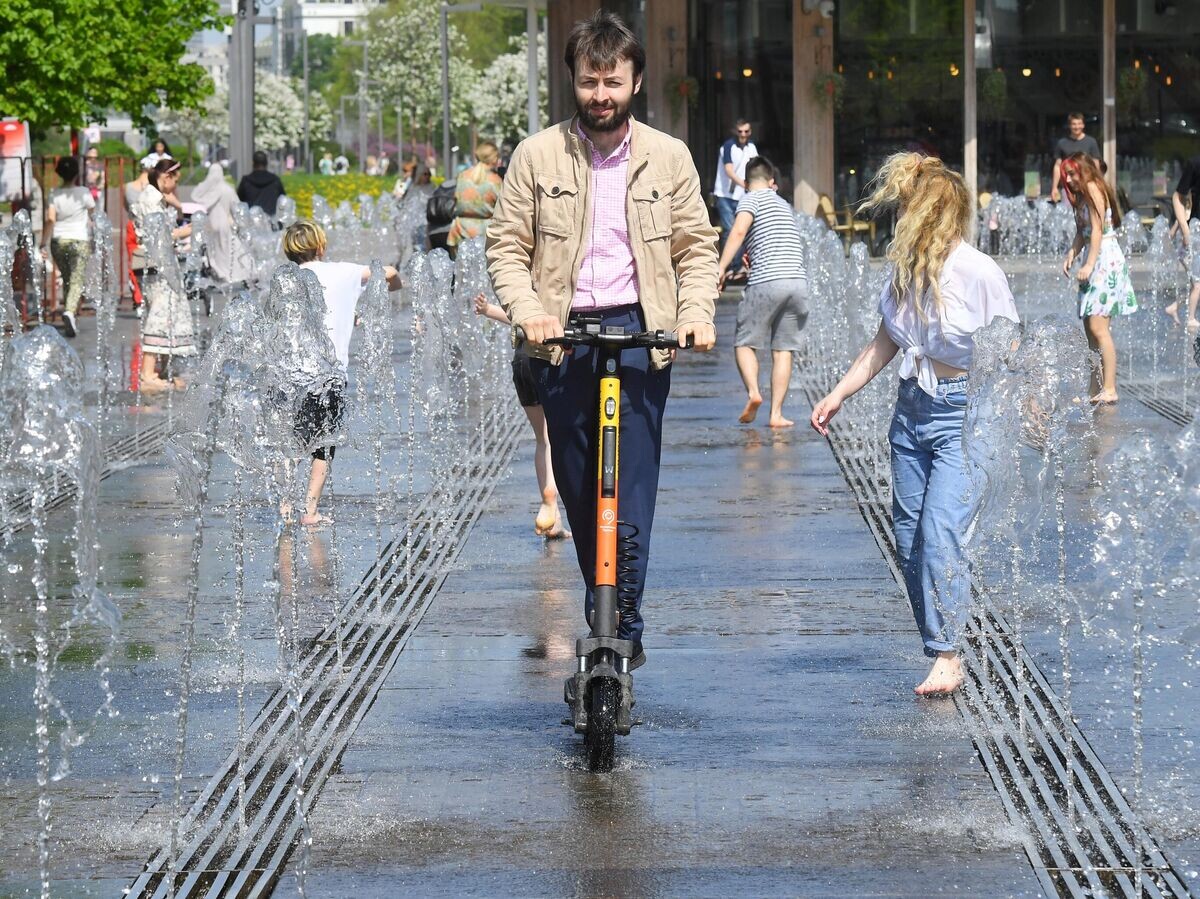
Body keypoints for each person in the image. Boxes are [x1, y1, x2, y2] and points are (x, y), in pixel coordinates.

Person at [486, 9, 718, 669]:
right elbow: (506, 246)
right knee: (583, 491)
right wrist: (528, 308)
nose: (601, 95)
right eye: (590, 82)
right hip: (562, 337)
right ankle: (603, 598)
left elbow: (696, 249)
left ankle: (626, 623)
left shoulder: (668, 158)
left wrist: (696, 311)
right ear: (573, 82)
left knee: (632, 496)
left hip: (641, 334)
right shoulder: (537, 156)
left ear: (636, 81)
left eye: (613, 81)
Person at [810, 153, 1019, 696]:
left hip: (964, 415)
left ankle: (947, 654)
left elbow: (1010, 350)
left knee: (939, 530)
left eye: (907, 208)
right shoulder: (906, 270)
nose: (900, 218)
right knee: (908, 540)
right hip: (911, 414)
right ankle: (941, 638)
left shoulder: (978, 272)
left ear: (935, 213)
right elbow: (884, 343)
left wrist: (1027, 412)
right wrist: (836, 395)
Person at [282, 220, 402, 525]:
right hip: (328, 376)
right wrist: (396, 285)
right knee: (323, 443)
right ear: (321, 246)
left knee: (292, 442)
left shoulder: (285, 280)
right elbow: (389, 272)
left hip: (290, 374)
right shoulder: (343, 271)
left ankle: (284, 506)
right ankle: (309, 511)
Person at [716, 155, 808, 428]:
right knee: (783, 350)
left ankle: (754, 393)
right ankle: (776, 414)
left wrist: (720, 268)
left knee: (745, 343)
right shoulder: (783, 204)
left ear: (746, 183)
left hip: (767, 282)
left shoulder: (749, 199)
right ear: (772, 183)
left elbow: (739, 231)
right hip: (798, 283)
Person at [473, 294, 570, 538]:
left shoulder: (526, 299)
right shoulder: (558, 295)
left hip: (522, 362)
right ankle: (552, 494)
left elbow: (513, 318)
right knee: (557, 439)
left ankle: (552, 513)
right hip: (548, 360)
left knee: (541, 439)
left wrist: (486, 309)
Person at [1061, 153, 1138, 403]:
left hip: (1104, 259)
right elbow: (1081, 233)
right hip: (1095, 259)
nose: (1069, 179)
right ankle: (1093, 389)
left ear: (1083, 170)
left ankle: (1110, 388)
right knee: (1089, 329)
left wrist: (1090, 263)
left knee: (1099, 328)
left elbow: (1096, 230)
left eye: (1073, 173)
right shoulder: (1082, 195)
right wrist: (1072, 254)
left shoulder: (1094, 188)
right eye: (1067, 175)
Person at [129, 158, 195, 390]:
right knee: (159, 313)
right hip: (154, 264)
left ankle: (166, 370)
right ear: (166, 178)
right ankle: (147, 374)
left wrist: (177, 207)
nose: (175, 186)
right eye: (175, 181)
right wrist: (182, 232)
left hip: (157, 263)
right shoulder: (151, 200)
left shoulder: (156, 198)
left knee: (168, 312)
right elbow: (155, 237)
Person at [40, 156, 95, 338]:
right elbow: (93, 213)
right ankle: (70, 311)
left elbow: (50, 219)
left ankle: (69, 313)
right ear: (76, 173)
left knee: (67, 278)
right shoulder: (84, 192)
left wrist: (43, 242)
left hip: (59, 241)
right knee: (77, 279)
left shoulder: (54, 193)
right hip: (79, 240)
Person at [712, 119, 758, 283]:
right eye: (740, 132)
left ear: (750, 132)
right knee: (730, 229)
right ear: (735, 132)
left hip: (742, 196)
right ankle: (729, 267)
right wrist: (747, 184)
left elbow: (756, 168)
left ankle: (738, 266)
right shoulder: (728, 146)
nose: (743, 135)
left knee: (742, 229)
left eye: (746, 131)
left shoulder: (752, 147)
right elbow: (729, 171)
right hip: (725, 195)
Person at [191, 163, 252, 286]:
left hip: (212, 222)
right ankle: (231, 273)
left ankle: (219, 272)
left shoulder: (209, 191)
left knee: (215, 249)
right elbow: (236, 205)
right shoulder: (227, 189)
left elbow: (195, 195)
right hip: (225, 223)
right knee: (228, 248)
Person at [447, 141, 503, 251]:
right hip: (486, 233)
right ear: (494, 158)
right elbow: (503, 209)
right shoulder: (495, 181)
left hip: (459, 230)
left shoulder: (463, 176)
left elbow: (456, 199)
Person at [1167, 153, 1200, 331]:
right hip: (1197, 233)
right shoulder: (1195, 163)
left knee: (1196, 283)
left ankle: (1175, 307)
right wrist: (1185, 231)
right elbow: (1177, 197)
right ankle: (1191, 318)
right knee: (1197, 283)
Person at [1050, 112, 1100, 204]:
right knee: (1068, 214)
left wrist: (1097, 182)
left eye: (1079, 124)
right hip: (1068, 186)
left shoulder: (1091, 142)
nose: (1077, 127)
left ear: (1083, 125)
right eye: (1074, 124)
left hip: (1087, 185)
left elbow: (1095, 164)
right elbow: (1057, 166)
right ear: (1069, 126)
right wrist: (1054, 187)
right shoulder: (1062, 143)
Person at [237, 150, 287, 216]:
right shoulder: (275, 180)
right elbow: (283, 199)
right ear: (266, 163)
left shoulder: (246, 181)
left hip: (251, 221)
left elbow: (239, 200)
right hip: (271, 221)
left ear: (253, 163)